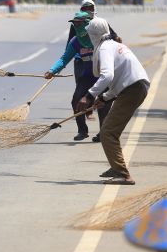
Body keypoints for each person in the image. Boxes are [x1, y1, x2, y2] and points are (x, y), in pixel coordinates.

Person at [76, 17, 150, 185]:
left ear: (94, 35)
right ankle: (116, 167)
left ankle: (123, 174)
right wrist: (104, 98)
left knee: (108, 132)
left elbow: (108, 75)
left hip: (133, 89)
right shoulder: (114, 45)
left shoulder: (104, 48)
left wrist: (89, 96)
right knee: (110, 131)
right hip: (134, 87)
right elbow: (119, 79)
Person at [44, 11, 112, 142]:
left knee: (103, 104)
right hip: (86, 76)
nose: (77, 27)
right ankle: (82, 130)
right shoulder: (75, 41)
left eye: (79, 24)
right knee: (76, 101)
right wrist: (52, 70)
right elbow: (65, 58)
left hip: (103, 75)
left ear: (87, 24)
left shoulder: (99, 38)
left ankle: (103, 132)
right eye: (75, 24)